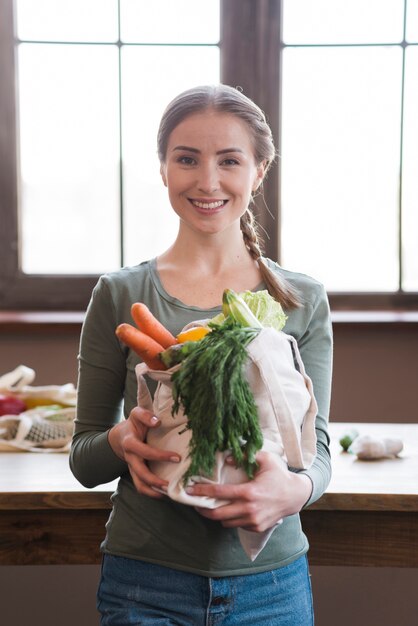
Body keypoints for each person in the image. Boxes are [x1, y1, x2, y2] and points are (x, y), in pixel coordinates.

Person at [70, 84, 333, 625]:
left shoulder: (301, 300)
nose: (207, 181)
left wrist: (293, 491)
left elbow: (317, 448)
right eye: (186, 159)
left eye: (229, 160)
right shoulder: (120, 294)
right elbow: (83, 458)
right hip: (146, 582)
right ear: (163, 169)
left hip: (271, 587)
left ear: (259, 170)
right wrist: (122, 441)